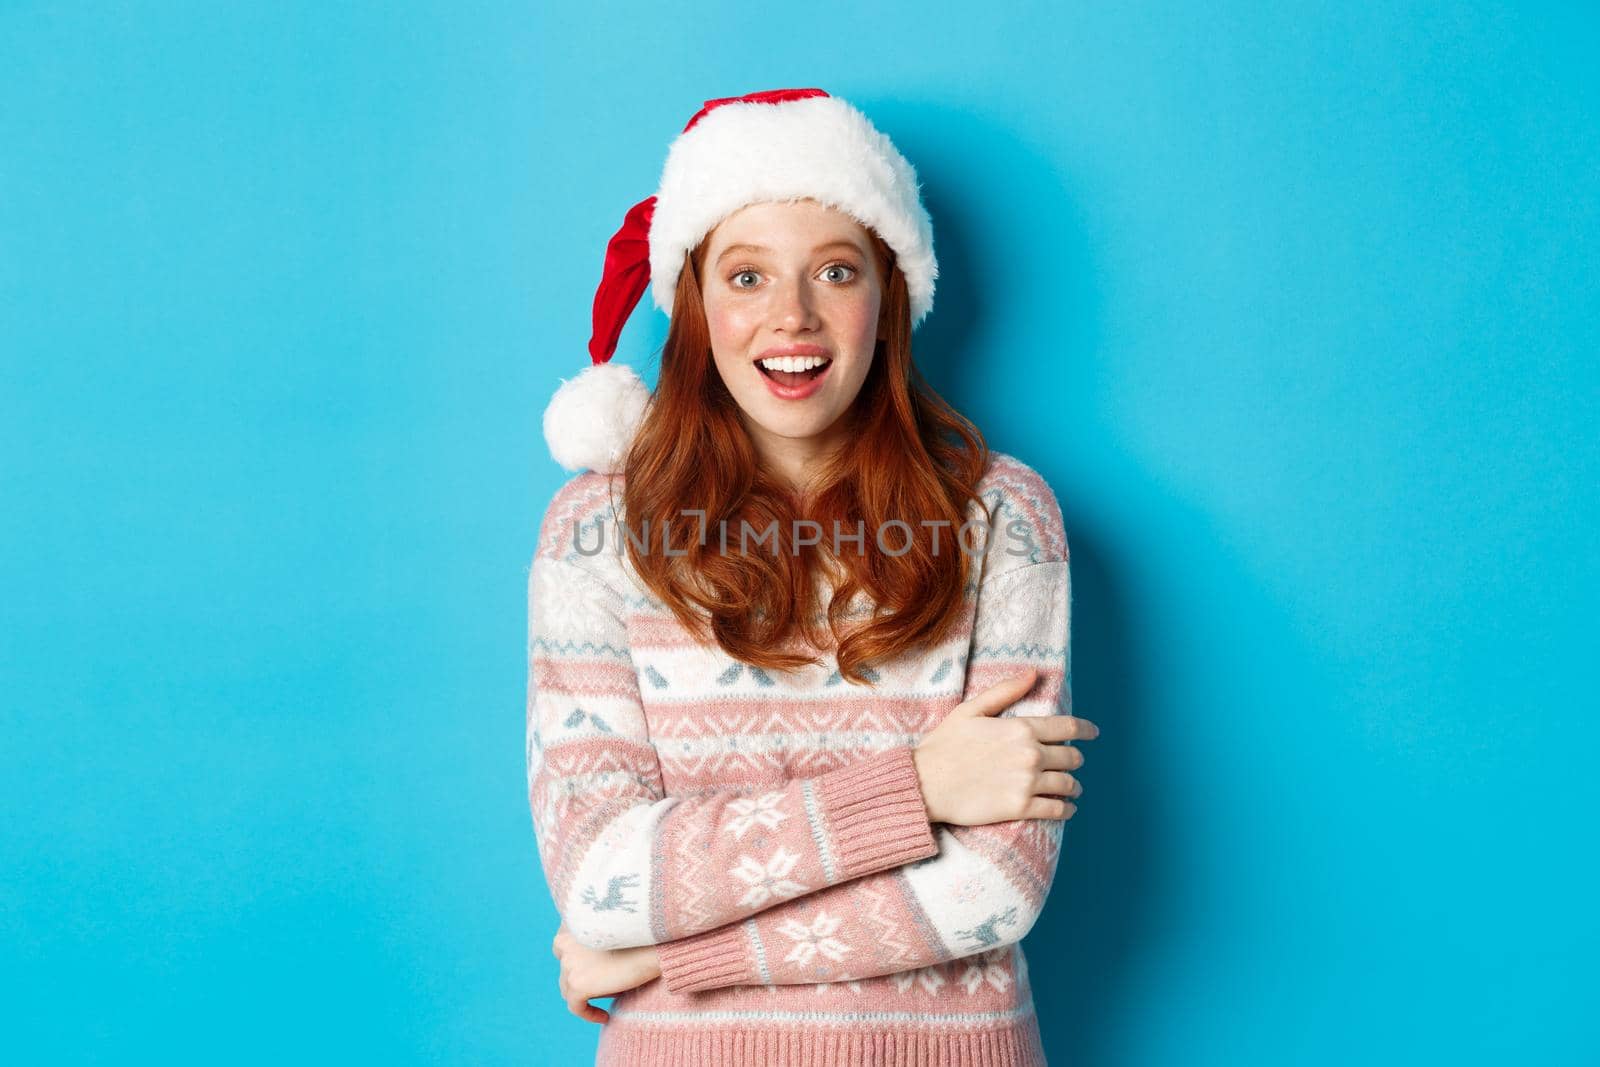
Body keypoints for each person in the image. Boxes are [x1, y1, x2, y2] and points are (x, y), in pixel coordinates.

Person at [527, 87, 1099, 1067]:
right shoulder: (596, 529)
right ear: (697, 303)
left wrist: (663, 950)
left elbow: (992, 889)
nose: (791, 316)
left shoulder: (1005, 519)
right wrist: (915, 785)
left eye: (834, 270)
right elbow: (599, 877)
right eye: (746, 275)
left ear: (889, 294)